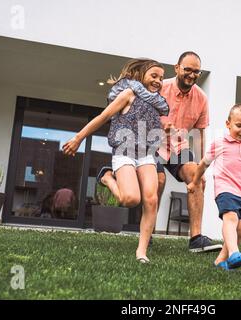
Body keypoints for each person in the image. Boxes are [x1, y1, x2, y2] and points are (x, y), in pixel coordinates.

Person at [63, 58, 169, 264]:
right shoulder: (128, 94)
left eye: (161, 78)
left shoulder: (156, 105)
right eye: (154, 76)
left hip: (146, 154)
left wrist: (165, 131)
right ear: (141, 75)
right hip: (124, 151)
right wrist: (78, 138)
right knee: (130, 199)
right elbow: (103, 117)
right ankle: (108, 179)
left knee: (152, 199)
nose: (158, 81)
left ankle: (141, 251)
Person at [187, 104, 241, 270]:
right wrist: (194, 181)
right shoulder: (220, 143)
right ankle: (234, 253)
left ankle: (221, 261)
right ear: (228, 124)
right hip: (225, 190)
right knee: (231, 219)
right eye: (239, 125)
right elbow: (203, 165)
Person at [156, 51, 221, 253]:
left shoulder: (201, 98)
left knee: (197, 179)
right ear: (177, 68)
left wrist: (202, 168)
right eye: (187, 69)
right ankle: (146, 232)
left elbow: (200, 135)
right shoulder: (160, 88)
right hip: (151, 142)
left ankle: (196, 239)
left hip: (178, 146)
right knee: (158, 180)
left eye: (196, 72)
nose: (191, 75)